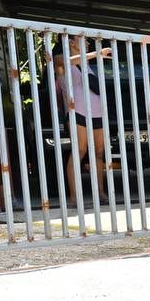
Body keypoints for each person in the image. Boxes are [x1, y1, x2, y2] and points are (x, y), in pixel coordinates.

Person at [51, 39, 111, 208]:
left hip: (97, 113)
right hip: (77, 113)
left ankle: (100, 192)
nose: (88, 43)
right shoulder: (61, 59)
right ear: (71, 42)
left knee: (99, 152)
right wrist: (96, 54)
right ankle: (74, 197)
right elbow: (68, 61)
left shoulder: (86, 64)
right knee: (79, 151)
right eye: (83, 40)